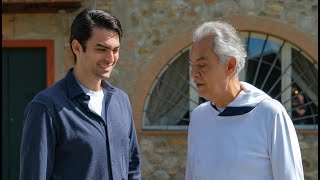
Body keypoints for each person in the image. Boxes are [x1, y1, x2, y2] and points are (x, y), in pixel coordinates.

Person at [20, 8, 141, 180]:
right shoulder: (46, 107)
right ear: (77, 47)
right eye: (101, 49)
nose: (110, 58)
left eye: (115, 50)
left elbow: (132, 169)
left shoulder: (121, 101)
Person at [185, 21, 304, 180]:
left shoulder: (270, 114)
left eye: (202, 65)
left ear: (230, 66)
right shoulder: (199, 117)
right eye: (192, 65)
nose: (193, 74)